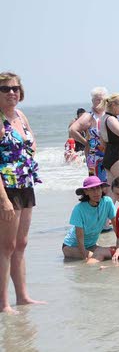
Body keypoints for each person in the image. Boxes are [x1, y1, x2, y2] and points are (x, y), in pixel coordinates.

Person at [0, 72, 46, 314]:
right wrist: (4, 200)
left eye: (15, 88)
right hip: (6, 188)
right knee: (6, 246)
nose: (11, 92)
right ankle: (3, 303)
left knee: (21, 243)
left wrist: (28, 150)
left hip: (26, 183)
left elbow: (32, 141)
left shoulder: (20, 115)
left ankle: (23, 297)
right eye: (5, 88)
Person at [62, 176, 116, 263]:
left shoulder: (107, 202)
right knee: (100, 257)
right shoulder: (79, 209)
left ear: (102, 189)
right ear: (86, 192)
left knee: (113, 253)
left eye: (98, 188)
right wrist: (85, 258)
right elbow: (80, 239)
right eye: (92, 189)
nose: (96, 192)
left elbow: (116, 225)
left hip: (91, 245)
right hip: (72, 246)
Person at [69, 87, 109, 181]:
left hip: (108, 154)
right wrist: (85, 143)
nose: (99, 102)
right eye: (97, 100)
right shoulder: (89, 116)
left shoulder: (107, 114)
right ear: (92, 101)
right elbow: (72, 130)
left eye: (102, 99)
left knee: (109, 183)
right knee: (95, 182)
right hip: (94, 156)